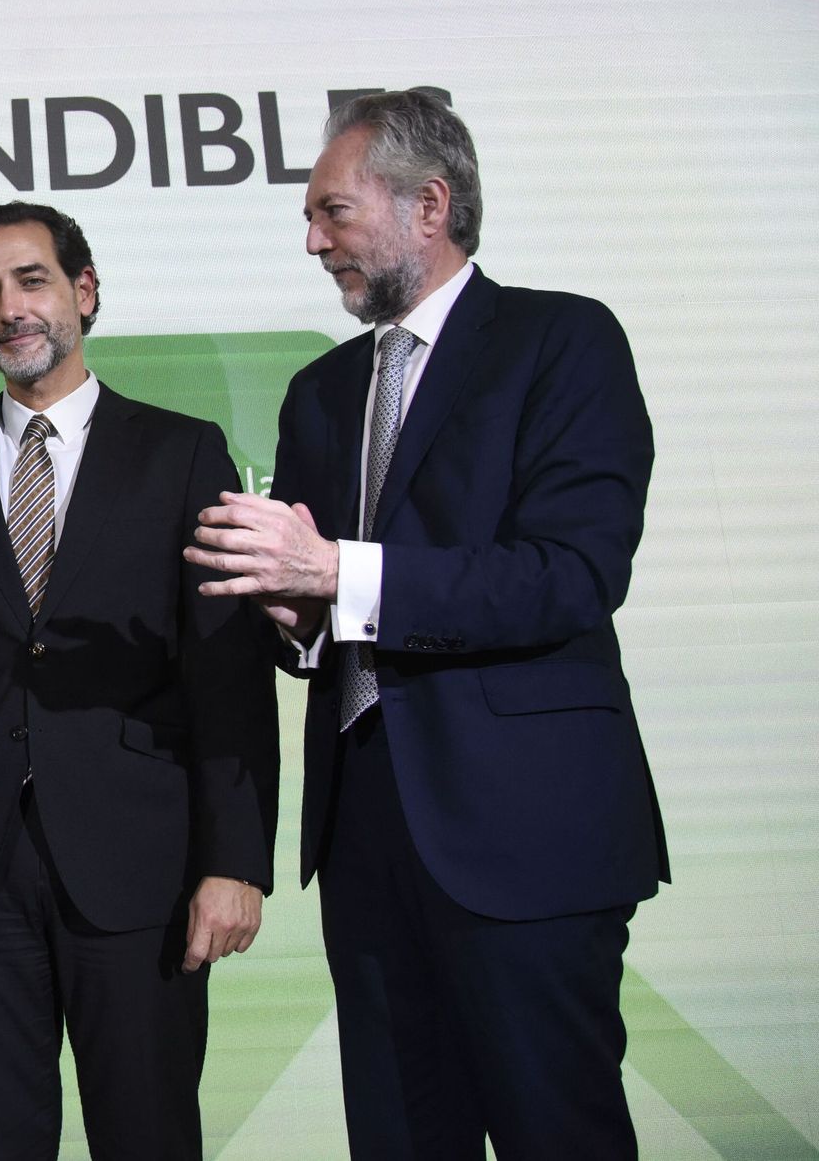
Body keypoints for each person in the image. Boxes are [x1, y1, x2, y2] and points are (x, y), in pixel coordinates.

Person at [185, 90, 668, 1159]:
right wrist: (295, 614)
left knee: (557, 1130)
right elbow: (321, 615)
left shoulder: (560, 341)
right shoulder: (318, 391)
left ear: (428, 204)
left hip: (524, 832)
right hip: (364, 842)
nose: (312, 242)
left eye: (333, 213)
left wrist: (336, 571)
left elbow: (569, 575)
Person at [0, 201, 279, 1160]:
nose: (9, 309)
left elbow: (228, 670)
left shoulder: (182, 451)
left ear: (83, 293)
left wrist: (235, 860)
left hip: (144, 867)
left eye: (31, 280)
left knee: (149, 1134)